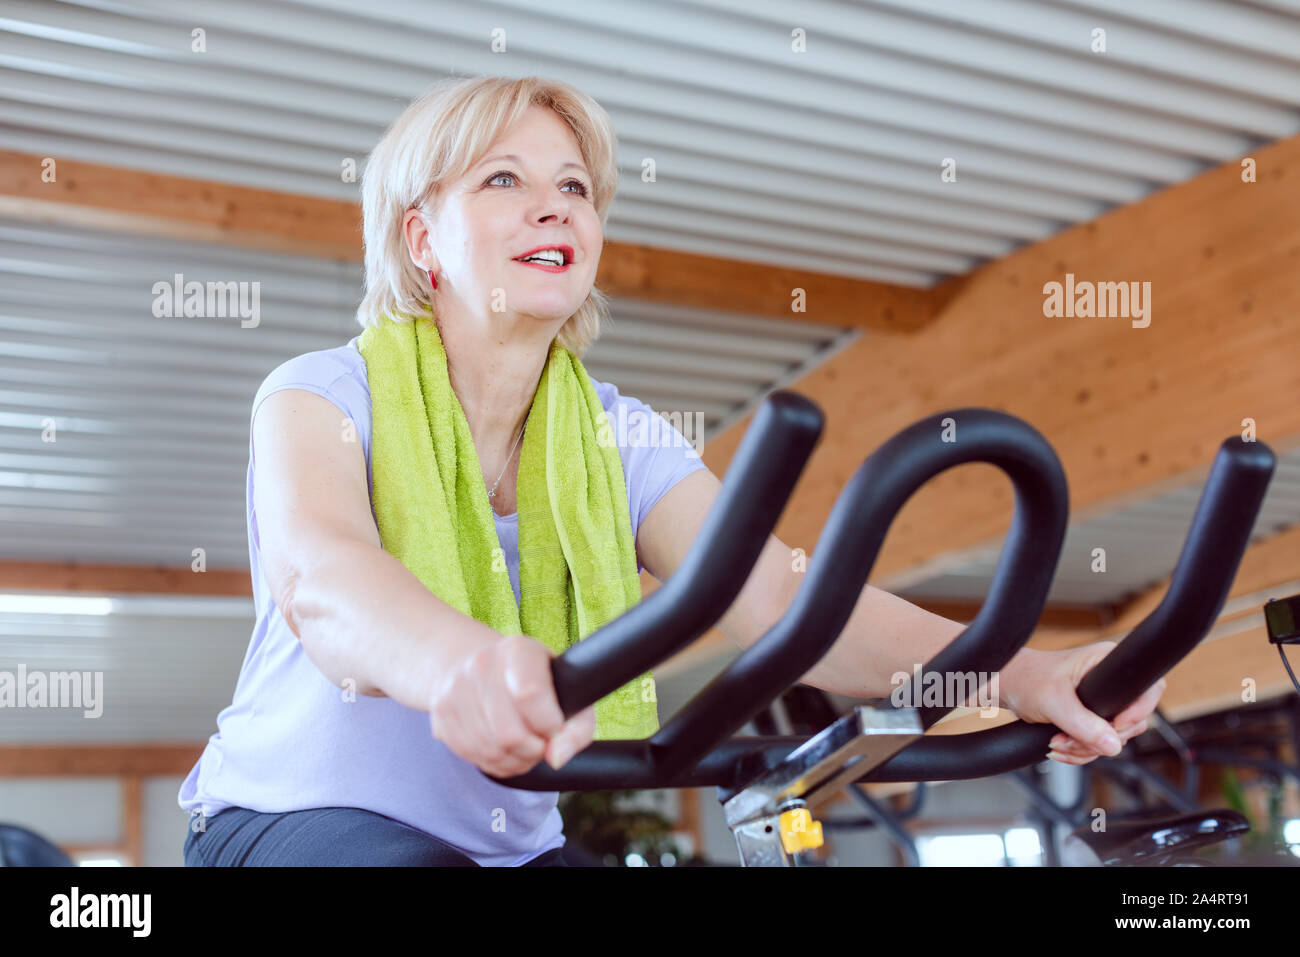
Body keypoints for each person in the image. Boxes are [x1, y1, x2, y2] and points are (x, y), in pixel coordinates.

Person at [179, 74, 1164, 867]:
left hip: (518, 838)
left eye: (573, 187)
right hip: (291, 820)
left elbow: (784, 604)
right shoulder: (319, 394)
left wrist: (1023, 675)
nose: (551, 208)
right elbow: (324, 580)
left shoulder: (614, 434)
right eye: (502, 181)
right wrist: (457, 668)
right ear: (420, 238)